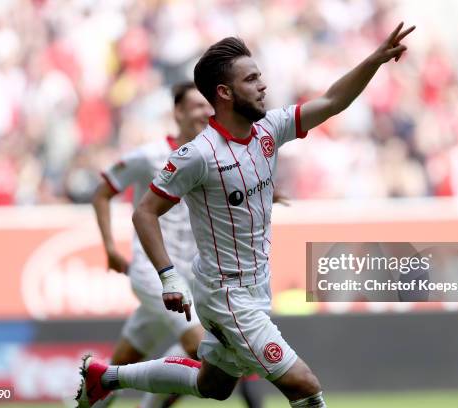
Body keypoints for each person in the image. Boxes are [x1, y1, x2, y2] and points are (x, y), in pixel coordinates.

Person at [77, 22, 415, 408]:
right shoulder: (199, 155)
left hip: (255, 288)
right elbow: (144, 213)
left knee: (213, 386)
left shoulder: (270, 129)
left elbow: (334, 100)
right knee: (305, 385)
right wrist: (169, 277)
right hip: (227, 295)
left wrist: (374, 60)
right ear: (224, 92)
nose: (262, 85)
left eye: (260, 76)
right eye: (251, 79)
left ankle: (107, 376)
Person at [90, 81, 263, 408]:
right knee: (208, 353)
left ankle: (91, 394)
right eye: (196, 105)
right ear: (178, 112)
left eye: (207, 105)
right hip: (154, 271)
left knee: (122, 362)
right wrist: (110, 248)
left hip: (192, 276)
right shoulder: (149, 156)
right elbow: (102, 192)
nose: (204, 111)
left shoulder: (214, 156)